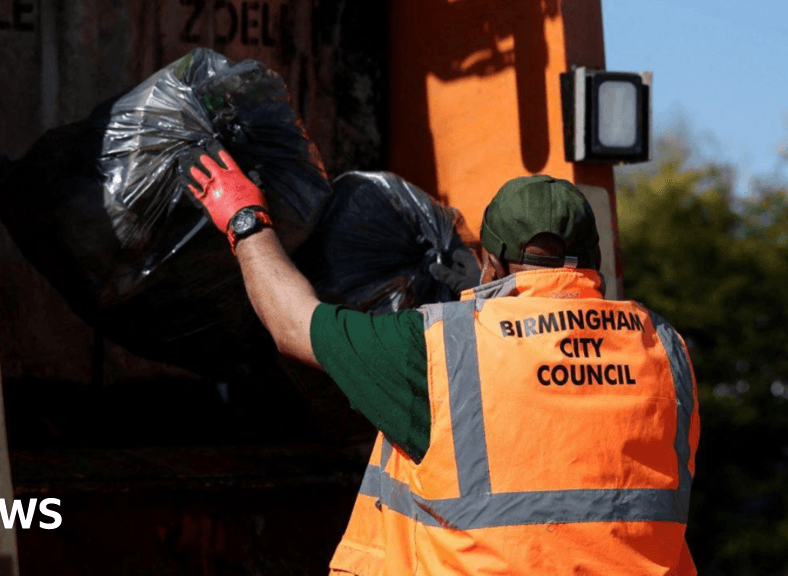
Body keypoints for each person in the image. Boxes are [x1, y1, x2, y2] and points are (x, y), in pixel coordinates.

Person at [182, 144, 700, 575]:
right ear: (595, 261)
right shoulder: (665, 351)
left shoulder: (442, 351)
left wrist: (245, 219)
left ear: (490, 264)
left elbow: (294, 324)